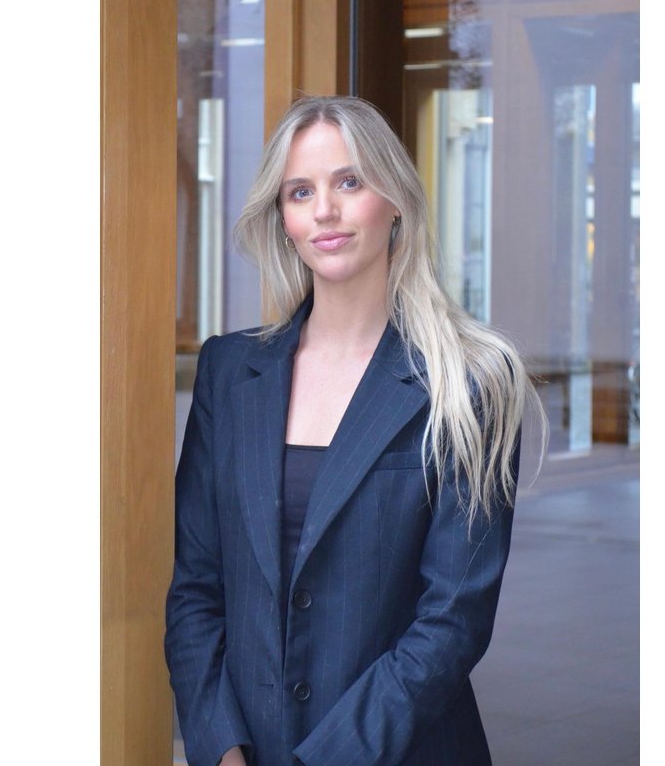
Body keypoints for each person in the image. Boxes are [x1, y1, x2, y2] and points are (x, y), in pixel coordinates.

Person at [165, 95, 543, 766]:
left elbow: (451, 622)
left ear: (394, 200)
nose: (324, 211)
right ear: (283, 219)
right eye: (300, 192)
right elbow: (197, 589)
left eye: (349, 182)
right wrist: (222, 748)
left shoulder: (470, 382)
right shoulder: (228, 373)